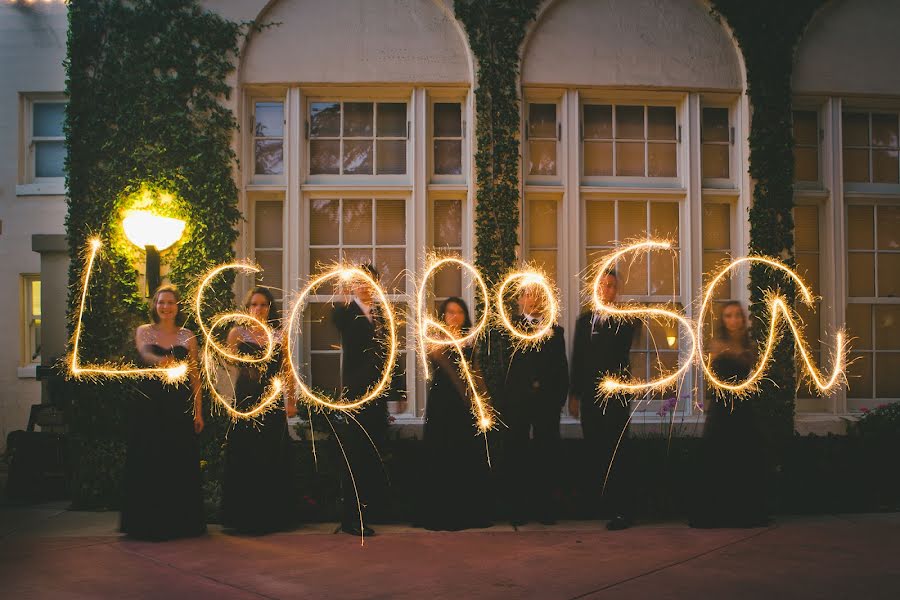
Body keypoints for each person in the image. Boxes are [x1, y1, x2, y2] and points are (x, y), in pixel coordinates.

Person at [122, 285, 205, 540]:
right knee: (150, 457)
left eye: (170, 302)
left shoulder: (187, 336)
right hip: (150, 406)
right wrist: (161, 361)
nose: (166, 307)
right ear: (155, 305)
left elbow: (195, 376)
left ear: (177, 306)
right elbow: (145, 353)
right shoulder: (144, 332)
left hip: (178, 406)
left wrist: (198, 411)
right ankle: (147, 521)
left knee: (177, 458)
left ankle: (181, 522)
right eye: (161, 302)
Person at [222, 286, 298, 534]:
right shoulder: (237, 333)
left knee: (270, 452)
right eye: (254, 304)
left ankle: (271, 515)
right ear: (248, 308)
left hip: (271, 400)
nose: (259, 309)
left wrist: (291, 400)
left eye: (263, 304)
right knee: (245, 452)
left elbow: (288, 371)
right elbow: (230, 363)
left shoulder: (278, 335)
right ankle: (242, 515)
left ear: (269, 308)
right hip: (246, 398)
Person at [569, 270, 638, 531]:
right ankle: (600, 505)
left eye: (611, 286)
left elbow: (623, 347)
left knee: (618, 452)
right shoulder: (584, 321)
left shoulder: (623, 320)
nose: (606, 290)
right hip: (591, 398)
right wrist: (575, 394)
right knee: (595, 449)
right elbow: (578, 358)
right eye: (602, 285)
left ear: (616, 291)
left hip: (616, 396)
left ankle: (623, 510)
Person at [690, 301, 769, 528]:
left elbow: (753, 371)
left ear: (743, 319)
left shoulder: (750, 345)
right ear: (722, 320)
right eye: (728, 316)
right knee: (718, 457)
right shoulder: (717, 344)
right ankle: (715, 513)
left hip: (743, 408)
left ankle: (743, 513)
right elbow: (709, 376)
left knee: (743, 459)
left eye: (737, 315)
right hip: (722, 408)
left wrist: (741, 353)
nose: (733, 320)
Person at [418, 297, 493, 531]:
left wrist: (484, 398)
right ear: (444, 315)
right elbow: (448, 368)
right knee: (443, 453)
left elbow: (476, 370)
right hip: (443, 405)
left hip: (465, 408)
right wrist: (467, 393)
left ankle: (468, 513)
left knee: (465, 453)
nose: (455, 316)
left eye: (459, 312)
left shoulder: (469, 340)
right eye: (450, 312)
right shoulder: (436, 339)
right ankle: (442, 514)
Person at [331, 264, 394, 537]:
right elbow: (335, 319)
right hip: (357, 396)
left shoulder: (382, 314)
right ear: (353, 285)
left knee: (370, 455)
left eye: (370, 281)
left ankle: (367, 512)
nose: (366, 286)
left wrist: (397, 392)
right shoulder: (346, 312)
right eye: (360, 281)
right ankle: (350, 519)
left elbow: (392, 354)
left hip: (377, 396)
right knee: (354, 457)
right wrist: (342, 292)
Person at [501, 285, 569, 525]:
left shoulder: (555, 330)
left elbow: (561, 367)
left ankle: (545, 508)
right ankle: (518, 509)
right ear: (520, 300)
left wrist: (559, 399)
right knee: (517, 454)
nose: (534, 300)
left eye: (538, 295)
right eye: (528, 295)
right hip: (519, 403)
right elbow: (506, 366)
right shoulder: (511, 327)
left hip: (547, 404)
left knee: (547, 455)